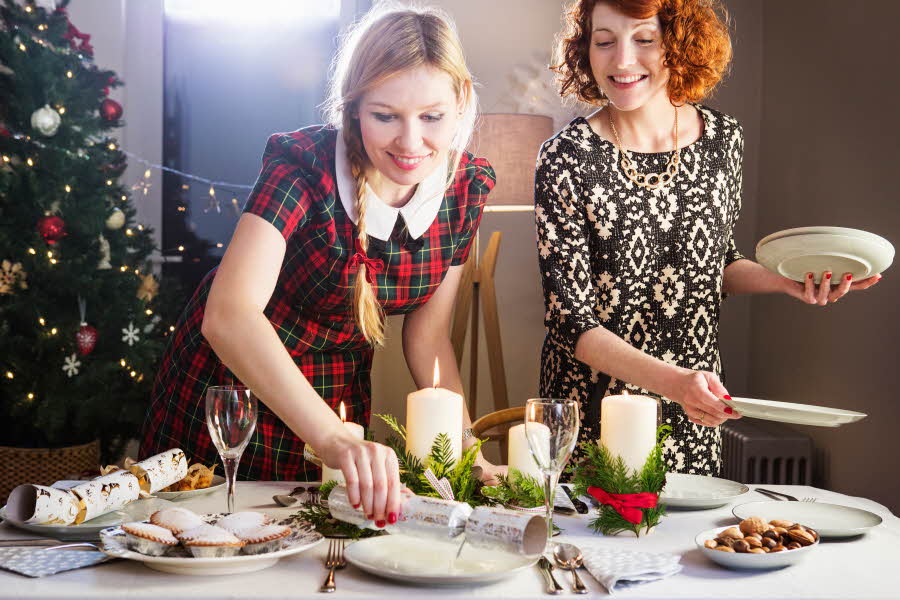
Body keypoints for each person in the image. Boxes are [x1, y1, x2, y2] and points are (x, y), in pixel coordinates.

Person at [140, 6, 501, 526]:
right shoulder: (302, 168)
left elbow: (429, 339)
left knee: (312, 554)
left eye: (431, 117)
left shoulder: (465, 188)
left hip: (336, 399)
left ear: (460, 100)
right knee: (206, 540)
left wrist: (469, 451)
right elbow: (229, 315)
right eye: (385, 115)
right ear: (354, 107)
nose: (410, 141)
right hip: (232, 394)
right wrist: (330, 436)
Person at [535, 0, 882, 475]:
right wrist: (675, 382)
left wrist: (786, 280)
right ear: (584, 50)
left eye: (644, 40)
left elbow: (714, 263)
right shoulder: (564, 157)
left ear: (677, 43)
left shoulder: (723, 140)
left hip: (694, 410)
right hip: (594, 415)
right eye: (604, 41)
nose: (621, 61)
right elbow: (570, 322)